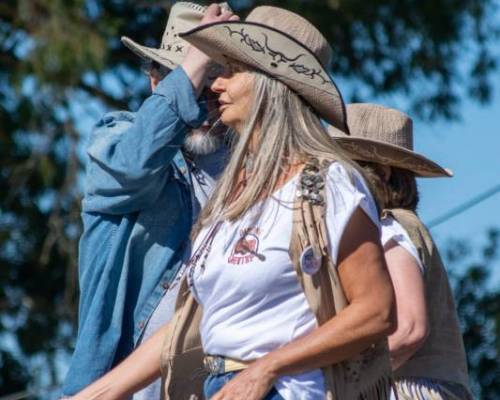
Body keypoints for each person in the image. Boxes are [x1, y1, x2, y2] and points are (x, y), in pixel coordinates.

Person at [70, 6, 396, 400]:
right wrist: (97, 394)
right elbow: (193, 319)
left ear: (269, 85)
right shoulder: (123, 145)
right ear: (158, 82)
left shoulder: (321, 181)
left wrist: (265, 369)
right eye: (199, 79)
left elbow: (377, 310)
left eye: (224, 72)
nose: (211, 93)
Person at [61, 3, 238, 398]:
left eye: (218, 82)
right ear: (158, 83)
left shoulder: (252, 166)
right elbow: (133, 168)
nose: (204, 101)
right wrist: (194, 64)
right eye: (195, 82)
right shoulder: (114, 140)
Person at [332, 103, 472, 399]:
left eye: (344, 168)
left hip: (405, 389)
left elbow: (409, 328)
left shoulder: (388, 226)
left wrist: (346, 380)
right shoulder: (405, 225)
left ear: (380, 173)